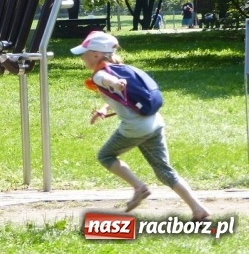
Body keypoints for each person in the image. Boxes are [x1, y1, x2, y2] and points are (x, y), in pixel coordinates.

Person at [72, 31, 210, 220]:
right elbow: (120, 94)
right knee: (164, 170)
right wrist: (105, 107)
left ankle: (139, 186)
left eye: (84, 53)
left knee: (105, 156)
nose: (82, 57)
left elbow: (107, 81)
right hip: (155, 123)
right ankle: (198, 209)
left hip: (135, 129)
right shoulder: (121, 68)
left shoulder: (101, 75)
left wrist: (115, 83)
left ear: (96, 55)